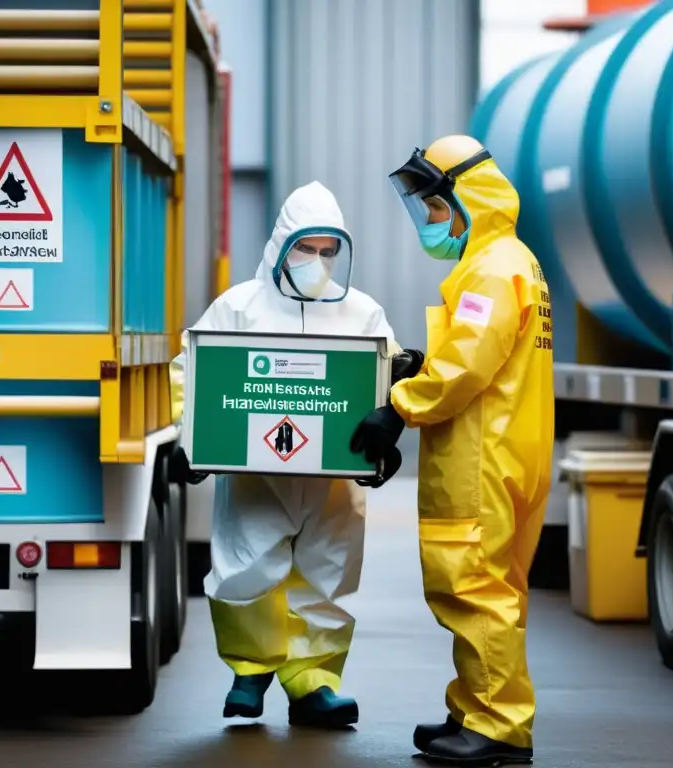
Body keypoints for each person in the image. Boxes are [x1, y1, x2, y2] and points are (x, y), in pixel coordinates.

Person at [164, 181, 418, 729]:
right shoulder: (238, 308)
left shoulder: (363, 313)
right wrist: (191, 438)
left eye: (329, 251)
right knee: (246, 567)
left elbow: (390, 374)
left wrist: (388, 430)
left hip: (334, 482)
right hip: (257, 479)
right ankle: (250, 671)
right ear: (282, 245)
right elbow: (190, 371)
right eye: (307, 248)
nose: (318, 261)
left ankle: (314, 683)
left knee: (327, 573)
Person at [350, 135, 555, 765]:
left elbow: (466, 366)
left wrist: (399, 409)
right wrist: (418, 362)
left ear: (466, 196)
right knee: (493, 588)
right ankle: (472, 707)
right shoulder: (512, 262)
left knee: (473, 588)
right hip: (509, 453)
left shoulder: (492, 269)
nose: (432, 221)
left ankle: (496, 726)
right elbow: (483, 355)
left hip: (481, 460)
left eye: (436, 207)